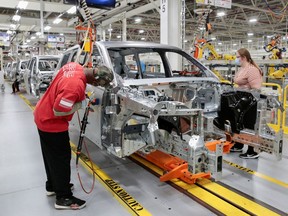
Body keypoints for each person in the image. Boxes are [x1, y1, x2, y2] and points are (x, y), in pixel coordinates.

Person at [34, 62, 114, 210]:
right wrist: (81, 104)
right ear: (95, 80)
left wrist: (79, 97)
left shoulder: (74, 66)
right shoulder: (75, 85)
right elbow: (59, 109)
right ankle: (63, 197)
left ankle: (53, 186)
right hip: (52, 122)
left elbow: (63, 88)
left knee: (50, 156)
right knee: (61, 158)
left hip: (42, 114)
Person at [231, 48, 263, 159]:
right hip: (242, 101)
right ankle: (239, 144)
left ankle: (252, 150)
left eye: (237, 57)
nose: (236, 59)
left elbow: (256, 89)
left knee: (249, 126)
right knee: (240, 123)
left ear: (244, 57)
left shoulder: (252, 70)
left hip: (250, 102)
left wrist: (246, 94)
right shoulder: (242, 69)